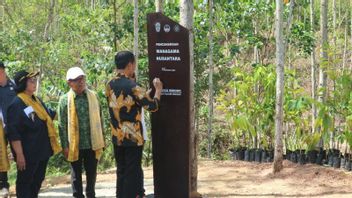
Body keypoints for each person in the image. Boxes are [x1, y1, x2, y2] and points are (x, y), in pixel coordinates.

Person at [106, 51, 163, 198]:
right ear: (130, 64)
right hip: (132, 136)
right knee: (132, 171)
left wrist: (145, 94)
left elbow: (128, 102)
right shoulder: (133, 86)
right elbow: (153, 106)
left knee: (122, 170)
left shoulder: (109, 84)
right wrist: (158, 91)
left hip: (117, 135)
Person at [6, 70, 62, 197]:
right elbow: (14, 133)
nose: (34, 83)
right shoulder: (17, 104)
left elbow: (50, 115)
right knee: (25, 183)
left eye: (35, 80)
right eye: (31, 81)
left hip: (42, 151)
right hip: (28, 154)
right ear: (23, 83)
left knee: (37, 181)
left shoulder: (37, 100)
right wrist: (19, 154)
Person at [58, 67, 105, 198]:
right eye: (76, 80)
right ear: (69, 83)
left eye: (82, 78)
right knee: (75, 175)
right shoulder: (64, 100)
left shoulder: (93, 96)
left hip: (92, 142)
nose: (81, 82)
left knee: (92, 173)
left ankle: (91, 194)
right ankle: (77, 195)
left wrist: (103, 140)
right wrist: (65, 146)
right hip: (74, 145)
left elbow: (100, 119)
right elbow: (62, 125)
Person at [0, 61, 16, 197]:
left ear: (3, 70)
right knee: (1, 155)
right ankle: (4, 185)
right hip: (0, 129)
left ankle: (26, 181)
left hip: (15, 126)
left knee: (20, 152)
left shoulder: (14, 85)